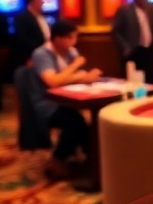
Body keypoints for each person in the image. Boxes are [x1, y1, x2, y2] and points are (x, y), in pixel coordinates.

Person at [29, 21, 100, 180]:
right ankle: (58, 160)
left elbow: (80, 76)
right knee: (75, 122)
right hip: (46, 103)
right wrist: (75, 67)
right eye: (71, 38)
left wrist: (83, 76)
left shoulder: (70, 51)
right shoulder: (42, 54)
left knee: (88, 122)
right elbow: (52, 82)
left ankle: (94, 161)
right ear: (58, 39)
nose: (74, 42)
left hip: (68, 101)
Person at [111, 0, 153, 82]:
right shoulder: (125, 10)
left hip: (149, 50)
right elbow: (116, 32)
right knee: (134, 79)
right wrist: (125, 48)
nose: (144, 0)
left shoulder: (152, 10)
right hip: (133, 51)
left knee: (149, 78)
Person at [12, 0, 50, 69]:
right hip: (30, 56)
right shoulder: (22, 17)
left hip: (46, 52)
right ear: (33, 2)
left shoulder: (42, 16)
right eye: (40, 1)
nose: (42, 3)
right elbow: (21, 40)